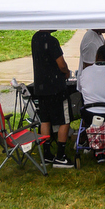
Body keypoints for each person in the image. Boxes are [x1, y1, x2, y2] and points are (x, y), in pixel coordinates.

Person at [31, 30, 74, 168]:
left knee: (45, 120)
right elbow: (61, 64)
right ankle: (60, 156)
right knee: (64, 120)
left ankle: (47, 154)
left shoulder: (35, 38)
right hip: (56, 88)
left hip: (41, 87)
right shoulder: (52, 41)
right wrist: (67, 72)